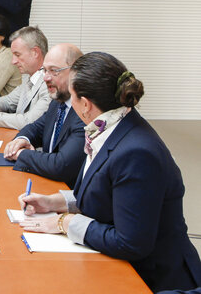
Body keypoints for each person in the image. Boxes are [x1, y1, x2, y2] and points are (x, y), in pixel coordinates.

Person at [19, 52, 201, 293]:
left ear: (85, 104)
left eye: (72, 97)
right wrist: (55, 202)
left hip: (152, 279)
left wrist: (65, 222)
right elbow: (106, 191)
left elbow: (131, 243)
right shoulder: (109, 128)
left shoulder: (136, 152)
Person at [2, 44, 85, 187]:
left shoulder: (85, 110)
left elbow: (61, 165)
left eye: (53, 71)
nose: (46, 78)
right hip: (46, 184)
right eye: (44, 70)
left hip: (69, 197)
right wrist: (22, 139)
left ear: (76, 72)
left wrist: (21, 154)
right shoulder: (58, 101)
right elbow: (36, 128)